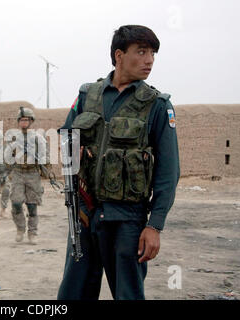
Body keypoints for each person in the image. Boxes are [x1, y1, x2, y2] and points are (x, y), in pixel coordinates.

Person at [57, 25, 180, 300]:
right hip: (85, 214)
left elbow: (168, 172)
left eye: (152, 53)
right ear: (119, 55)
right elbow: (67, 135)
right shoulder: (88, 95)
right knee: (73, 293)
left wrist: (155, 225)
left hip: (127, 220)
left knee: (128, 295)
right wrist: (72, 156)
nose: (149, 60)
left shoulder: (157, 105)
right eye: (142, 52)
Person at [4, 107, 48, 244]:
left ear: (31, 121)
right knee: (16, 203)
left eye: (26, 120)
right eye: (21, 120)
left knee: (32, 205)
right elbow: (6, 157)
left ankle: (32, 232)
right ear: (18, 122)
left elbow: (45, 155)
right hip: (18, 172)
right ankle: (20, 229)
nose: (24, 122)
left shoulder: (38, 138)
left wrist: (42, 163)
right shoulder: (13, 138)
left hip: (32, 173)